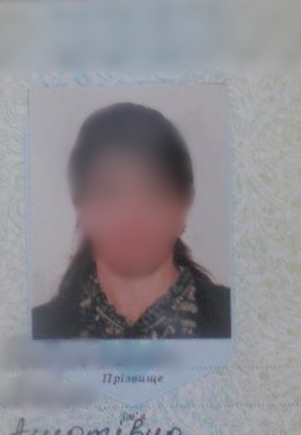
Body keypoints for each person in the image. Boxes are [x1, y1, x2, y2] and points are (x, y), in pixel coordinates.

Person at [32, 102, 230, 340]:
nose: (131, 214)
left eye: (154, 190)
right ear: (80, 205)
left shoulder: (234, 317)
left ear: (184, 203)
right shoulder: (38, 331)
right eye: (108, 192)